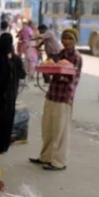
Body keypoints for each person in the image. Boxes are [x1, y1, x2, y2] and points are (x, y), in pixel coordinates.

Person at [29, 29, 82, 171]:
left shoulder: (76, 57)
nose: (66, 41)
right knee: (47, 128)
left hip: (64, 97)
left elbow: (73, 79)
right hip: (52, 94)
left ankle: (59, 161)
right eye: (64, 38)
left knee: (60, 130)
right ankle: (45, 156)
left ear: (75, 40)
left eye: (70, 39)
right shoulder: (60, 54)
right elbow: (53, 69)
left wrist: (61, 75)